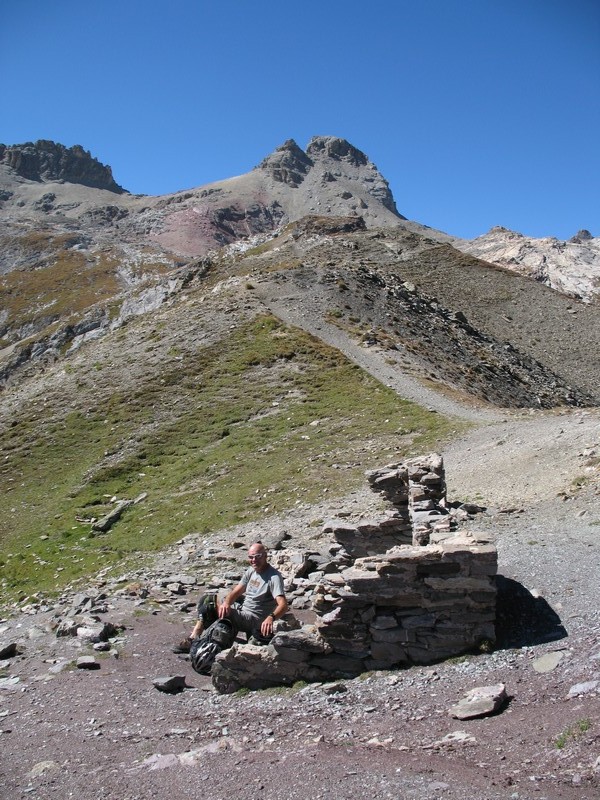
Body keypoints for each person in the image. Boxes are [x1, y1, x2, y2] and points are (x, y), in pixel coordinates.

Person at [173, 542, 288, 652]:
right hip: (244, 609)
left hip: (255, 618)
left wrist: (271, 618)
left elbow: (283, 605)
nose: (254, 560)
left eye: (257, 556)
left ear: (265, 556)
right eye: (251, 557)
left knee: (210, 604)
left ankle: (194, 639)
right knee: (210, 598)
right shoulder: (252, 571)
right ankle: (203, 634)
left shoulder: (274, 577)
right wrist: (227, 603)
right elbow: (237, 591)